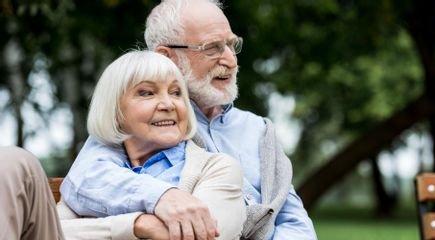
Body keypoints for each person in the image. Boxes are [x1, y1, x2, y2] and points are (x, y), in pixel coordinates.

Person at [61, 0, 317, 239]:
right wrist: (160, 199)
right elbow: (86, 178)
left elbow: (292, 218)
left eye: (231, 45)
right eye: (212, 48)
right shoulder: (144, 126)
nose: (230, 60)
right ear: (166, 56)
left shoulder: (259, 129)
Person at [0, 50, 246, 240]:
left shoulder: (217, 169)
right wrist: (140, 224)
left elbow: (207, 236)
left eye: (175, 92)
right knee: (11, 161)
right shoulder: (93, 169)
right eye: (147, 93)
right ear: (115, 111)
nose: (168, 104)